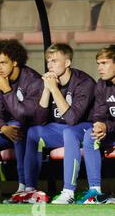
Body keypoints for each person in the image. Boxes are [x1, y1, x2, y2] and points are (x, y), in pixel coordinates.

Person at [23, 43, 95, 204]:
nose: (50, 65)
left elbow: (72, 119)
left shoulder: (84, 82)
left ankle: (68, 191)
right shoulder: (49, 82)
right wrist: (47, 90)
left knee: (69, 132)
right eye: (48, 61)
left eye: (55, 61)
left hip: (85, 128)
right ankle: (30, 190)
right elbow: (39, 120)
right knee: (33, 132)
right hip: (60, 129)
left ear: (67, 63)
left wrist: (54, 89)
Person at [0, 39, 43, 203]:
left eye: (3, 62)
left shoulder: (33, 80)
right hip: (5, 128)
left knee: (19, 127)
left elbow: (25, 115)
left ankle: (24, 187)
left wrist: (7, 90)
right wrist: (1, 127)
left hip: (27, 128)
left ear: (15, 62)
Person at [78, 45, 115, 204]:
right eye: (98, 63)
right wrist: (100, 125)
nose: (100, 68)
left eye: (104, 63)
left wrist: (107, 126)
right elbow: (99, 114)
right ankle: (96, 192)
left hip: (112, 129)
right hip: (111, 131)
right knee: (91, 134)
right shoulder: (101, 84)